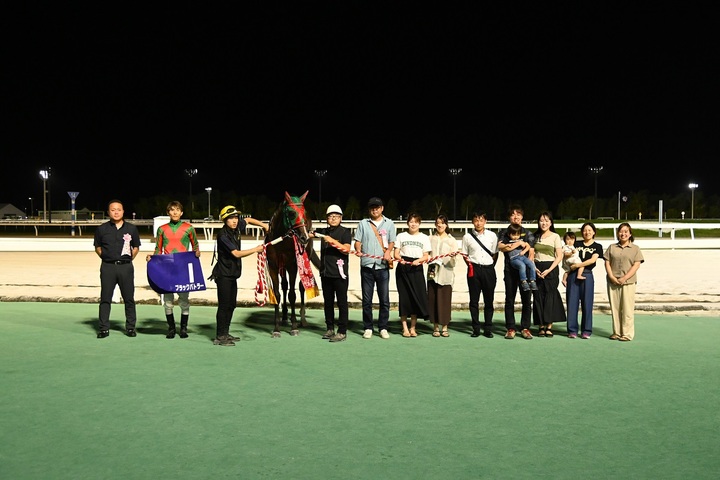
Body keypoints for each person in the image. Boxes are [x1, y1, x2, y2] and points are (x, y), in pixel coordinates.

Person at [209, 205, 268, 346]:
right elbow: (236, 253)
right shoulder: (223, 235)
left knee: (231, 305)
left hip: (232, 275)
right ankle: (220, 336)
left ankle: (225, 332)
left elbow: (248, 220)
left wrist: (264, 225)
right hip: (223, 275)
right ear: (225, 220)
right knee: (224, 306)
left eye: (235, 217)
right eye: (231, 218)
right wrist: (255, 249)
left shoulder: (236, 228)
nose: (234, 221)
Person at [146, 200, 201, 339]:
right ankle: (171, 329)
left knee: (184, 300)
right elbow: (158, 249)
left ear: (181, 212)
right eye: (172, 210)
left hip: (183, 268)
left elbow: (195, 245)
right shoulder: (162, 229)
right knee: (168, 301)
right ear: (168, 212)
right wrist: (152, 258)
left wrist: (197, 253)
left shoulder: (189, 228)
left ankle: (183, 329)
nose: (175, 212)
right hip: (167, 268)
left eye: (177, 210)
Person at [93, 199, 142, 338]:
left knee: (129, 299)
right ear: (108, 212)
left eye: (119, 210)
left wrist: (128, 259)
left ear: (123, 211)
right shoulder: (101, 229)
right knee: (105, 298)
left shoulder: (131, 229)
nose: (116, 212)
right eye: (113, 210)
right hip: (107, 267)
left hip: (126, 268)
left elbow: (136, 247)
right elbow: (97, 247)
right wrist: (107, 258)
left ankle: (130, 328)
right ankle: (103, 328)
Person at [353, 196, 396, 339]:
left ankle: (383, 327)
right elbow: (357, 240)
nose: (374, 210)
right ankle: (368, 327)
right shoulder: (363, 223)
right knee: (367, 300)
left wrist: (388, 252)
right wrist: (358, 249)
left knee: (384, 300)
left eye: (377, 207)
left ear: (382, 208)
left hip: (382, 266)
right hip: (367, 265)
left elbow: (392, 242)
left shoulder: (389, 224)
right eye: (372, 207)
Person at [310, 204, 352, 342]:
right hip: (325, 274)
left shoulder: (345, 232)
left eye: (336, 216)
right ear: (327, 218)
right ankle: (329, 328)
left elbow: (346, 249)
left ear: (341, 218)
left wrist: (332, 241)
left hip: (340, 275)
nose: (333, 218)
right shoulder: (323, 231)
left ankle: (342, 331)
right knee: (328, 303)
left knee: (342, 303)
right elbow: (308, 233)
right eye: (330, 216)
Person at [497, 205, 535, 340]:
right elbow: (501, 247)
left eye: (518, 214)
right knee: (510, 300)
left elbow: (531, 251)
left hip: (525, 272)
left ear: (522, 217)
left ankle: (525, 328)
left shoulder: (528, 233)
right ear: (509, 218)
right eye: (513, 214)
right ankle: (511, 328)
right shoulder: (504, 232)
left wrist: (511, 246)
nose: (516, 217)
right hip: (510, 271)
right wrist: (518, 244)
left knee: (526, 301)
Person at [460, 211, 498, 338]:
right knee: (474, 301)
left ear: (485, 221)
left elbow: (495, 253)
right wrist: (471, 266)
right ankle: (475, 328)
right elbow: (465, 255)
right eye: (476, 220)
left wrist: (490, 266)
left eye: (481, 220)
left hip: (488, 269)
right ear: (472, 221)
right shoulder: (467, 237)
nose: (478, 223)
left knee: (489, 301)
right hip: (474, 269)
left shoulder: (492, 236)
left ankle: (488, 328)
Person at [604, 222, 644, 342]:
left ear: (630, 234)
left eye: (626, 231)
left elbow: (636, 265)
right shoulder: (612, 247)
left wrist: (625, 278)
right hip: (613, 282)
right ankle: (617, 332)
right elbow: (607, 262)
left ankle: (627, 334)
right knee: (615, 308)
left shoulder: (635, 249)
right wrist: (611, 276)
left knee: (627, 308)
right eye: (621, 231)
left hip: (628, 282)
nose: (623, 234)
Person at [393, 213, 431, 337]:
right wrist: (400, 259)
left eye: (416, 222)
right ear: (407, 223)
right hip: (403, 268)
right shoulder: (401, 236)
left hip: (417, 268)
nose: (413, 224)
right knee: (404, 298)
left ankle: (413, 328)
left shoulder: (424, 237)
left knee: (416, 297)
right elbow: (396, 253)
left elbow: (426, 255)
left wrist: (418, 260)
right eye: (411, 221)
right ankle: (405, 328)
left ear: (419, 223)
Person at [531, 211, 567, 337]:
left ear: (551, 223)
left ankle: (549, 326)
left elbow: (559, 256)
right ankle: (541, 326)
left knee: (550, 297)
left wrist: (549, 269)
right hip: (536, 268)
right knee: (538, 296)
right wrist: (534, 268)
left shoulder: (555, 236)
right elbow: (531, 255)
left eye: (546, 220)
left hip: (551, 269)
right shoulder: (534, 236)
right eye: (541, 220)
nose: (544, 223)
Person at [566, 222, 604, 339]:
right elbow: (567, 255)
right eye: (584, 230)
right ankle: (572, 330)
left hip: (587, 275)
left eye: (589, 230)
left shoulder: (597, 246)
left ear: (594, 232)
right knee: (572, 303)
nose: (587, 232)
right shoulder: (576, 244)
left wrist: (578, 265)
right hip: (573, 275)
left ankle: (586, 330)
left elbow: (592, 260)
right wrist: (566, 273)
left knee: (587, 303)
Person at [427, 214, 458, 337]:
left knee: (445, 300)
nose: (440, 225)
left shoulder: (451, 240)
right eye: (438, 223)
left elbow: (454, 261)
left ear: (446, 224)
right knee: (433, 299)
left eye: (442, 223)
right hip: (432, 274)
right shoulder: (430, 238)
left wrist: (451, 257)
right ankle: (435, 327)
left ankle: (444, 327)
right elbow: (426, 254)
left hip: (446, 274)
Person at [505, 223, 539, 292]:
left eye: (517, 235)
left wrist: (524, 251)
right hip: (514, 258)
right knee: (522, 265)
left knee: (531, 264)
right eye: (513, 235)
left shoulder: (521, 240)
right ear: (509, 234)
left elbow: (528, 246)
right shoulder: (507, 241)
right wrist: (514, 245)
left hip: (522, 257)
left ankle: (532, 280)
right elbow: (502, 247)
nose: (515, 237)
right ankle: (524, 281)